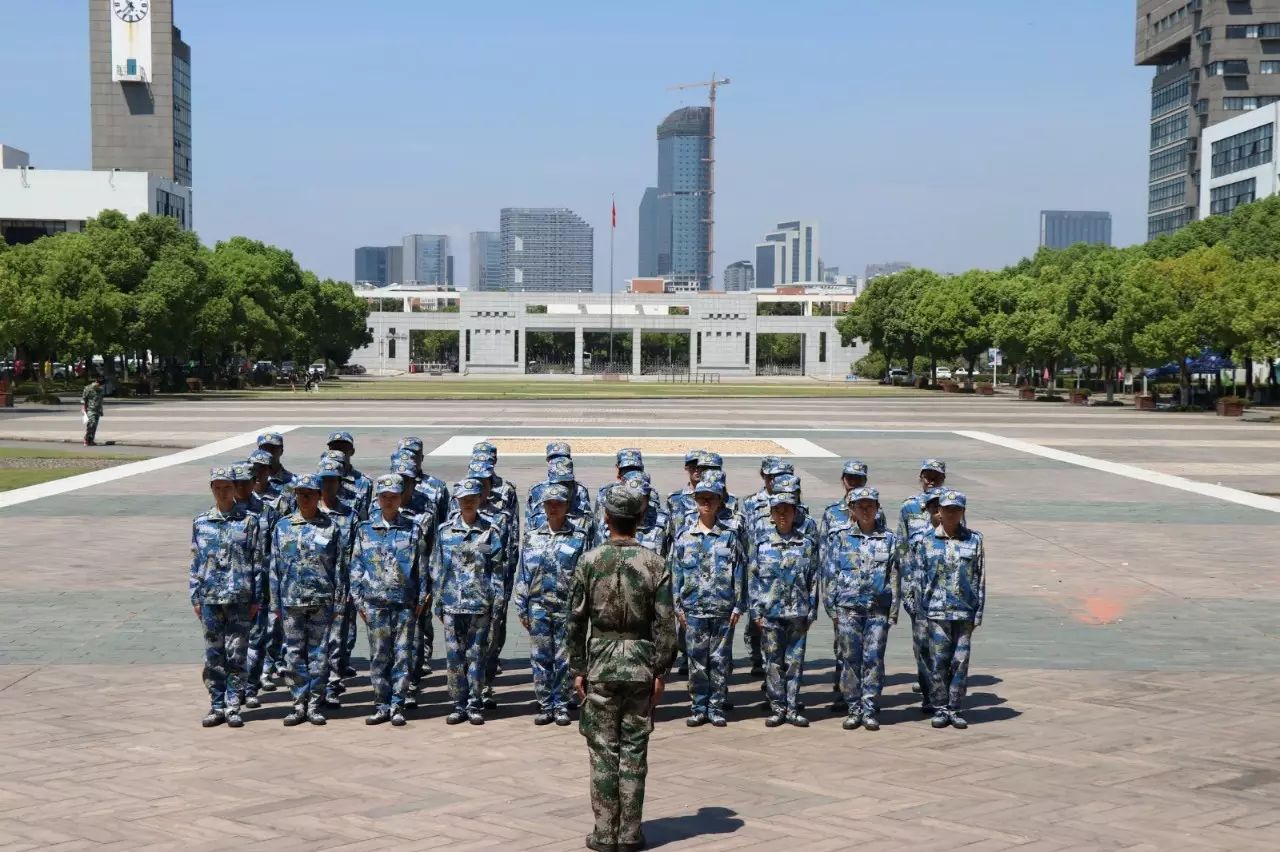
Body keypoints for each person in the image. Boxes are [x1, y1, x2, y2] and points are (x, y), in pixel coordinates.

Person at [567, 482, 677, 852]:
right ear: (640, 518)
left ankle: (604, 833)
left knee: (603, 753)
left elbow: (575, 621)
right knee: (633, 753)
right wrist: (661, 670)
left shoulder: (589, 561)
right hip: (640, 664)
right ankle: (630, 834)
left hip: (601, 662)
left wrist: (578, 667)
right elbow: (665, 623)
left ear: (607, 518)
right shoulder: (655, 562)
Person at [350, 474, 429, 726]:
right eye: (384, 497)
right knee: (379, 656)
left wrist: (421, 600)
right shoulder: (365, 531)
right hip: (374, 604)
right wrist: (359, 601)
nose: (388, 501)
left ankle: (398, 703)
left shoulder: (412, 528)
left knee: (402, 656)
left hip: (404, 603)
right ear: (378, 499)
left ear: (400, 498)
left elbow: (422, 568)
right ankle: (381, 704)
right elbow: (356, 567)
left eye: (393, 497)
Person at [668, 476, 746, 727]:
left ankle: (716, 707)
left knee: (720, 662)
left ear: (719, 501)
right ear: (695, 501)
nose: (706, 503)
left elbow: (739, 572)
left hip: (723, 609)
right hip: (694, 610)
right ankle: (698, 706)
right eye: (701, 498)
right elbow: (676, 573)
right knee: (697, 662)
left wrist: (738, 605)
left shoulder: (729, 536)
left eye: (711, 498)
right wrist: (677, 606)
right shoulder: (684, 536)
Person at [189, 467, 265, 728]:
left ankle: (233, 705)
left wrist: (257, 599)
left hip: (240, 599)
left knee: (237, 655)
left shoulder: (249, 522)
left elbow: (258, 562)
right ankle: (216, 704)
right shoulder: (201, 522)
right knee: (214, 656)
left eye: (227, 487)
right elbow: (196, 563)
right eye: (217, 487)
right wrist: (195, 598)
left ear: (235, 489)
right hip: (210, 598)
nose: (222, 492)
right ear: (212, 489)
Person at [823, 487, 902, 731]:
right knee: (849, 659)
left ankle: (869, 708)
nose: (865, 510)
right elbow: (828, 574)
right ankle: (853, 708)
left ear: (878, 508)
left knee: (874, 659)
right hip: (848, 610)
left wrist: (893, 612)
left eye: (870, 505)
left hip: (878, 610)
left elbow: (895, 576)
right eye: (860, 506)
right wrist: (832, 610)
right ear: (852, 510)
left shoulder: (889, 539)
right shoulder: (840, 537)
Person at [515, 483, 592, 725]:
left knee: (564, 659)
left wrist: (584, 608)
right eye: (550, 503)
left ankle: (561, 705)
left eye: (559, 503)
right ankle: (545, 704)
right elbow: (523, 575)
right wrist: (521, 606)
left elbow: (586, 576)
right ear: (544, 507)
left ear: (567, 506)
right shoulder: (532, 537)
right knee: (540, 658)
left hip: (567, 608)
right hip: (538, 607)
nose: (554, 507)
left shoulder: (579, 538)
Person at [432, 478, 506, 725]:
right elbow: (438, 568)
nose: (468, 502)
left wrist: (497, 603)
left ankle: (474, 703)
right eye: (464, 499)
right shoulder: (445, 531)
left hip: (479, 604)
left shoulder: (490, 532)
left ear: (480, 500)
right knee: (454, 658)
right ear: (457, 501)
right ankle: (457, 704)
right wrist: (439, 600)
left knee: (476, 657)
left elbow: (496, 570)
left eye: (472, 498)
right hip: (453, 603)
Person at [270, 474, 341, 727]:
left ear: (319, 496)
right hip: (291, 601)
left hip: (322, 601)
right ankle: (298, 703)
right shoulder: (283, 526)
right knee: (293, 654)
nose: (306, 498)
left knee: (319, 654)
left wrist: (339, 603)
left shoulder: (331, 527)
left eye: (311, 493)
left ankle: (314, 703)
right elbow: (274, 566)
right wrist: (274, 603)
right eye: (301, 493)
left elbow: (339, 567)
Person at [911, 490, 985, 730]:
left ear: (963, 512)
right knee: (939, 661)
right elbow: (918, 579)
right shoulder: (925, 540)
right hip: (936, 611)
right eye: (947, 509)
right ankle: (940, 707)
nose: (952, 513)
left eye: (957, 509)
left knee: (960, 661)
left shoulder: (974, 540)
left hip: (964, 612)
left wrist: (978, 612)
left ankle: (956, 707)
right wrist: (921, 613)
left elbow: (979, 578)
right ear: (939, 512)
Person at [749, 491, 819, 728]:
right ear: (771, 514)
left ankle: (792, 706)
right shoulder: (762, 544)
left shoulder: (806, 544)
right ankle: (777, 708)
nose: (782, 515)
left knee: (795, 663)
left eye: (787, 510)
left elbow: (814, 579)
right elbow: (754, 580)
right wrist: (756, 612)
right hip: (771, 614)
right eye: (778, 511)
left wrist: (812, 610)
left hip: (798, 614)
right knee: (773, 664)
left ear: (795, 513)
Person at [317, 456, 360, 708]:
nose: (328, 486)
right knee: (312, 642)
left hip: (341, 589)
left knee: (335, 640)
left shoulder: (349, 515)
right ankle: (314, 688)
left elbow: (358, 553)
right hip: (312, 588)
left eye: (333, 481)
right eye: (324, 481)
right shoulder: (307, 511)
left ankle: (332, 685)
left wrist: (354, 587)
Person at [243, 450, 284, 708]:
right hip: (236, 585)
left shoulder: (271, 509)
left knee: (261, 634)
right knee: (237, 640)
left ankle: (252, 684)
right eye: (252, 469)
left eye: (261, 468)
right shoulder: (230, 511)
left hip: (266, 581)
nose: (256, 473)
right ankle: (235, 687)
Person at [326, 431, 372, 520]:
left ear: (352, 451)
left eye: (343, 448)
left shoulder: (364, 482)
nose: (339, 452)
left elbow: (364, 516)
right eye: (334, 448)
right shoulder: (319, 479)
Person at [81, 375, 105, 446]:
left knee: (95, 426)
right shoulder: (88, 388)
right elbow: (84, 399)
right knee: (92, 424)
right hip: (90, 409)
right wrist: (84, 409)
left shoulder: (100, 390)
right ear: (96, 382)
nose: (99, 386)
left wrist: (101, 410)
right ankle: (86, 438)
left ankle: (91, 440)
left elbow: (100, 401)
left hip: (97, 410)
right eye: (99, 384)